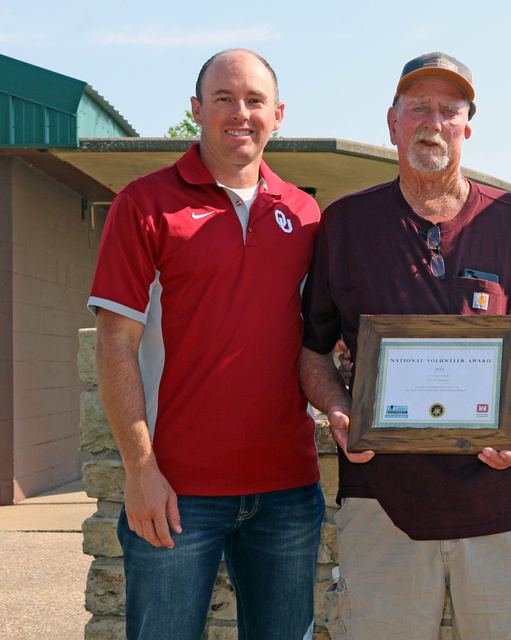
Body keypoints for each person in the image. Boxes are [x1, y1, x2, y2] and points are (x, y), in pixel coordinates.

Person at [299, 52, 511, 639]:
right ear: (392, 122)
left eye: (448, 110)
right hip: (380, 505)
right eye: (418, 108)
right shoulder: (344, 224)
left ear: (468, 124)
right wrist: (339, 412)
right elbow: (314, 351)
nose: (432, 122)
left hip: (502, 508)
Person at [89, 49, 324, 640]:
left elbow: (318, 338)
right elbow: (115, 344)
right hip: (175, 491)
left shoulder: (304, 212)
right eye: (223, 98)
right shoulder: (144, 204)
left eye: (254, 100)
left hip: (288, 492)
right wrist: (139, 469)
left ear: (279, 115)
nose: (238, 113)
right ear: (196, 109)